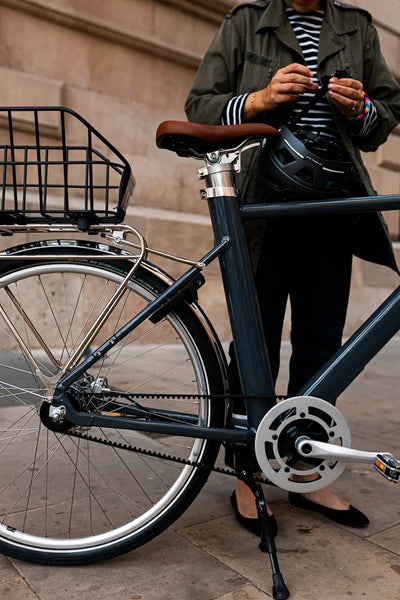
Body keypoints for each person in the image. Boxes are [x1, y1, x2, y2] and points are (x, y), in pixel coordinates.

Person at [185, 0, 400, 536]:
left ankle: (303, 464)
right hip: (261, 204)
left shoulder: (357, 25)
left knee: (321, 338)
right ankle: (249, 471)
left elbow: (385, 117)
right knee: (254, 341)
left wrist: (361, 108)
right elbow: (199, 105)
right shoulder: (246, 21)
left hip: (333, 205)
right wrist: (258, 99)